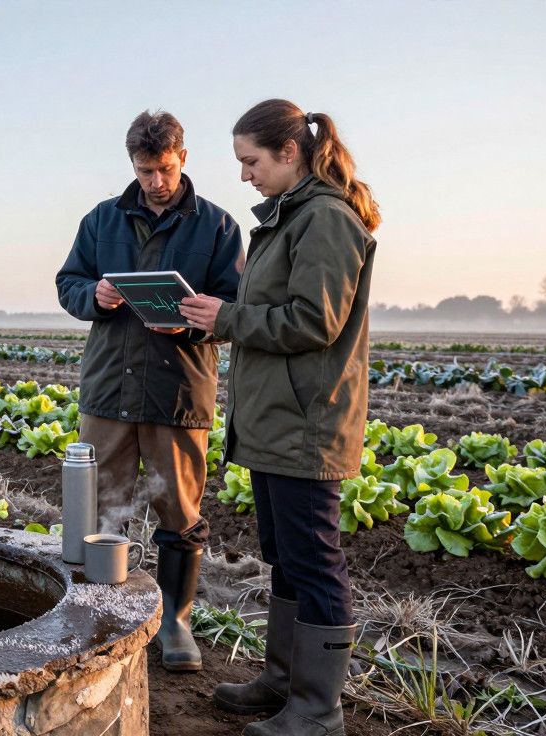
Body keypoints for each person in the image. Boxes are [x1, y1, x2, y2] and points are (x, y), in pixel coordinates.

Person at [178, 99, 379, 735]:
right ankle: (284, 682)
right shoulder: (292, 218)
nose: (244, 175)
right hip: (275, 421)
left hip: (306, 423)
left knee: (316, 563)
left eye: (251, 161)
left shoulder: (325, 219)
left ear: (288, 153)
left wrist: (228, 318)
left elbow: (315, 321)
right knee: (287, 558)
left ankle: (319, 712)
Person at [56, 110, 244, 672]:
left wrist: (190, 319)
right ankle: (99, 615)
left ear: (182, 158)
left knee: (180, 510)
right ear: (131, 165)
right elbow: (69, 283)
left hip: (177, 392)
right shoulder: (100, 220)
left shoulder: (217, 226)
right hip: (109, 388)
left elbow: (234, 306)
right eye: (144, 172)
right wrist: (97, 294)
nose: (155, 183)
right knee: (100, 505)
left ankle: (175, 621)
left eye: (163, 169)